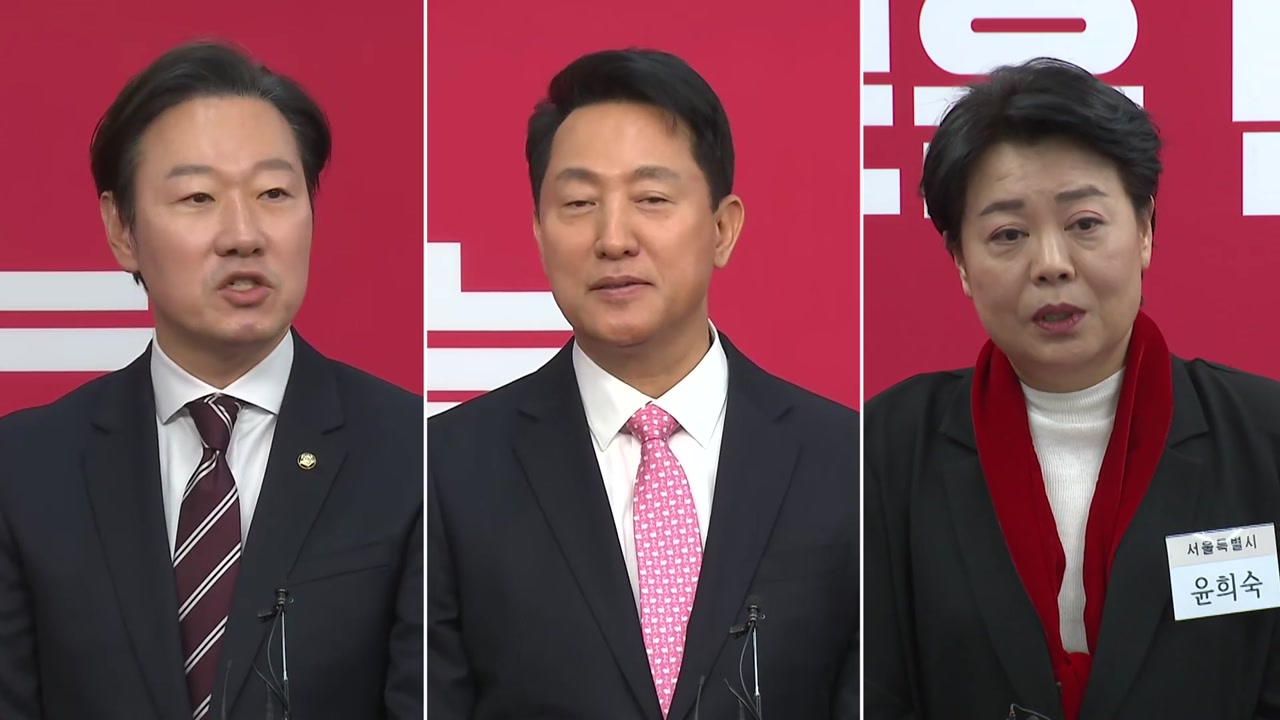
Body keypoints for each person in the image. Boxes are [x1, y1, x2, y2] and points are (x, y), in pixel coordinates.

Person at [428, 48, 858, 719]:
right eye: (578, 203)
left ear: (723, 229)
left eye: (651, 199)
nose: (613, 238)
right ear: (539, 232)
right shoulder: (446, 470)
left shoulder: (846, 462)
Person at [0, 41, 422, 719]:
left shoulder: (416, 456)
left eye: (274, 194)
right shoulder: (25, 469)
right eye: (198, 197)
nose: (243, 234)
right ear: (122, 229)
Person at [864, 57, 1280, 719]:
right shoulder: (881, 453)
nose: (1052, 264)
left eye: (1084, 223)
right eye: (1008, 234)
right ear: (961, 262)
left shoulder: (1263, 438)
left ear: (1144, 230)